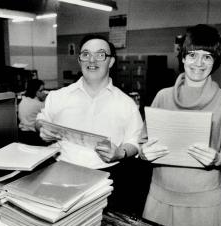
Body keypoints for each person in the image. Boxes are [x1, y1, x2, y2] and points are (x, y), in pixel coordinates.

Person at [139, 24, 221, 226]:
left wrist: (220, 159)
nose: (199, 63)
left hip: (203, 205)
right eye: (193, 55)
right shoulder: (163, 96)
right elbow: (143, 142)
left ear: (215, 61)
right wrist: (143, 152)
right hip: (158, 199)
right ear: (182, 57)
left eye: (207, 57)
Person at [35, 34, 143, 169]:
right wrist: (42, 128)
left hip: (108, 173)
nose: (92, 60)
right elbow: (40, 120)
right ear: (80, 60)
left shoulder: (126, 104)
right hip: (60, 168)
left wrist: (120, 152)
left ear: (111, 62)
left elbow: (135, 140)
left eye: (100, 55)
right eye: (86, 54)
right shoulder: (58, 96)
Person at [18, 79, 47, 145]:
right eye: (41, 90)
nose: (44, 92)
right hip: (34, 136)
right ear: (35, 91)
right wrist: (45, 99)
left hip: (22, 134)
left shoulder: (23, 100)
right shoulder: (39, 104)